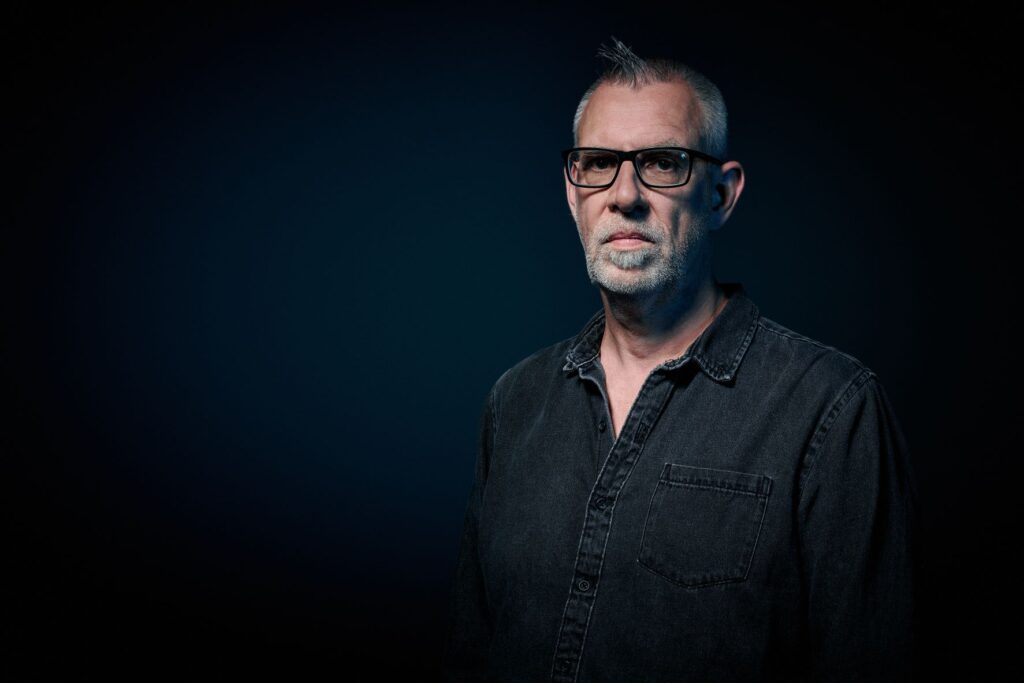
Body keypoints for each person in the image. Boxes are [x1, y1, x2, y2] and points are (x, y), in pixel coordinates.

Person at [442, 39, 919, 682]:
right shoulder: (516, 402)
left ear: (720, 195)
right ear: (572, 192)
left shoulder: (832, 410)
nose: (625, 195)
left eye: (663, 163)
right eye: (599, 163)